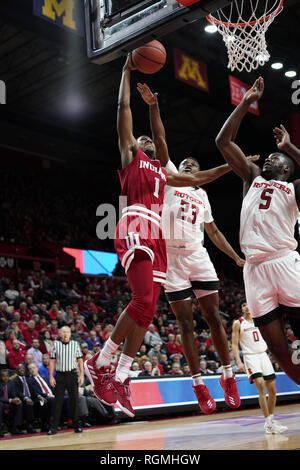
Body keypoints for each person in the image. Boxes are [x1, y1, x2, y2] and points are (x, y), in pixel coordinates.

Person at [85, 55, 246, 418]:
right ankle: (101, 360)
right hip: (135, 223)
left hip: (158, 238)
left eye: (151, 140)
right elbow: (124, 108)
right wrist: (126, 72)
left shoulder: (164, 172)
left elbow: (193, 173)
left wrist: (235, 165)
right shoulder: (131, 156)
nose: (147, 141)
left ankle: (122, 377)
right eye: (143, 139)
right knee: (143, 301)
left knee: (146, 311)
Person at [137, 82, 252, 414]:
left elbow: (214, 231)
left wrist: (234, 257)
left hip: (197, 254)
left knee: (214, 317)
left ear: (199, 172)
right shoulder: (169, 174)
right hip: (171, 258)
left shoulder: (202, 194)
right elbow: (161, 141)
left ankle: (228, 376)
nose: (186, 165)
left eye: (191, 164)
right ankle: (198, 383)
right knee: (185, 324)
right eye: (183, 163)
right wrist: (154, 107)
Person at [216, 77, 300, 385]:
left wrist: (290, 146)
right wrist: (245, 102)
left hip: (284, 262)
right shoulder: (252, 177)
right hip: (254, 269)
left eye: (276, 158)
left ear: (287, 169)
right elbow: (223, 143)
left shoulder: (294, 189)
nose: (269, 158)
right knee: (278, 348)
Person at [232, 301, 288, 434]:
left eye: (248, 304)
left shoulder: (260, 320)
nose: (246, 307)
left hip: (263, 355)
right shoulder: (238, 323)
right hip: (250, 356)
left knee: (273, 389)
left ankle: (271, 420)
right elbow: (234, 344)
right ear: (241, 308)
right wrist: (239, 362)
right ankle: (268, 422)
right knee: (260, 384)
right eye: (243, 305)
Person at [48, 326, 84, 435]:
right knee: (57, 402)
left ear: (70, 334)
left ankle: (77, 426)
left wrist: (81, 375)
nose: (65, 334)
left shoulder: (75, 344)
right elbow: (52, 361)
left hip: (72, 375)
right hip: (60, 375)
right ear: (59, 334)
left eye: (67, 332)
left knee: (74, 402)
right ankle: (53, 428)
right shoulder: (56, 345)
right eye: (63, 332)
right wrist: (51, 376)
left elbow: (80, 360)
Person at [13, 364, 37, 434]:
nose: (22, 370)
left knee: (44, 402)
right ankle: (29, 425)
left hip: (31, 398)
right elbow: (18, 392)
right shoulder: (15, 380)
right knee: (28, 403)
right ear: (16, 371)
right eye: (20, 369)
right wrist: (26, 398)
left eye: (23, 368)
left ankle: (45, 423)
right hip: (22, 399)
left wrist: (38, 396)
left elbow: (33, 391)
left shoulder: (28, 379)